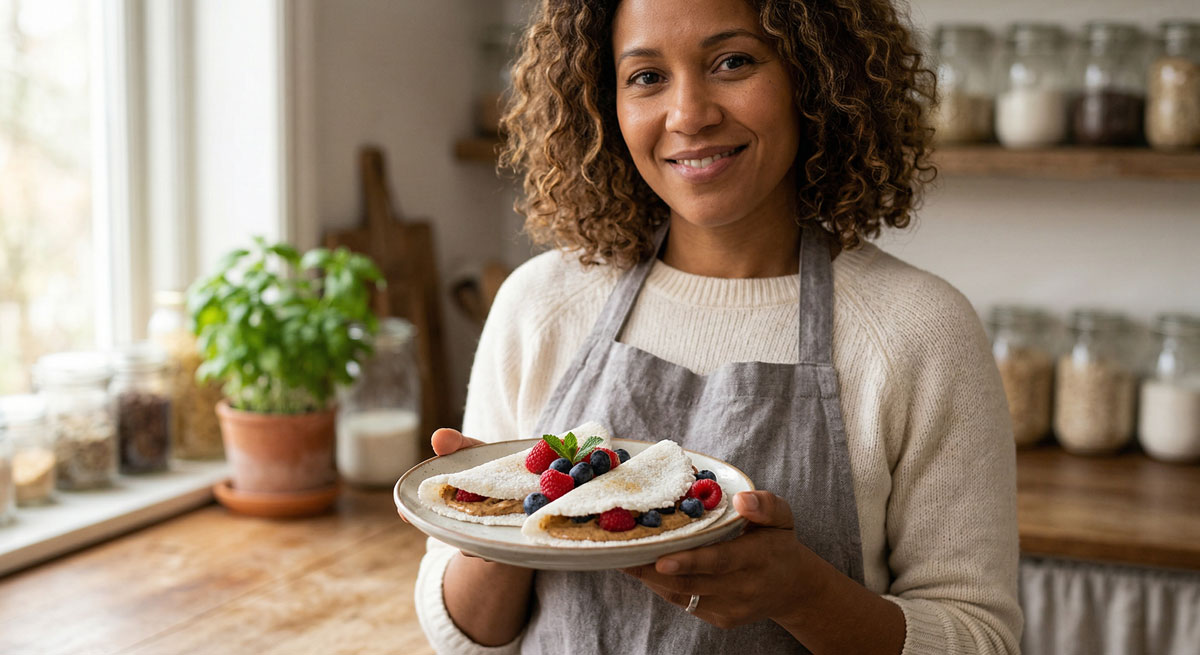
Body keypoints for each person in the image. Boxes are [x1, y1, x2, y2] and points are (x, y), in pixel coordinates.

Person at [414, 0, 1021, 653]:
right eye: (646, 76)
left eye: (733, 62)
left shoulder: (919, 329)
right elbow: (463, 634)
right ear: (603, 103)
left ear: (814, 77)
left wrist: (803, 594)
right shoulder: (539, 305)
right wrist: (503, 518)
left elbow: (980, 637)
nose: (689, 114)